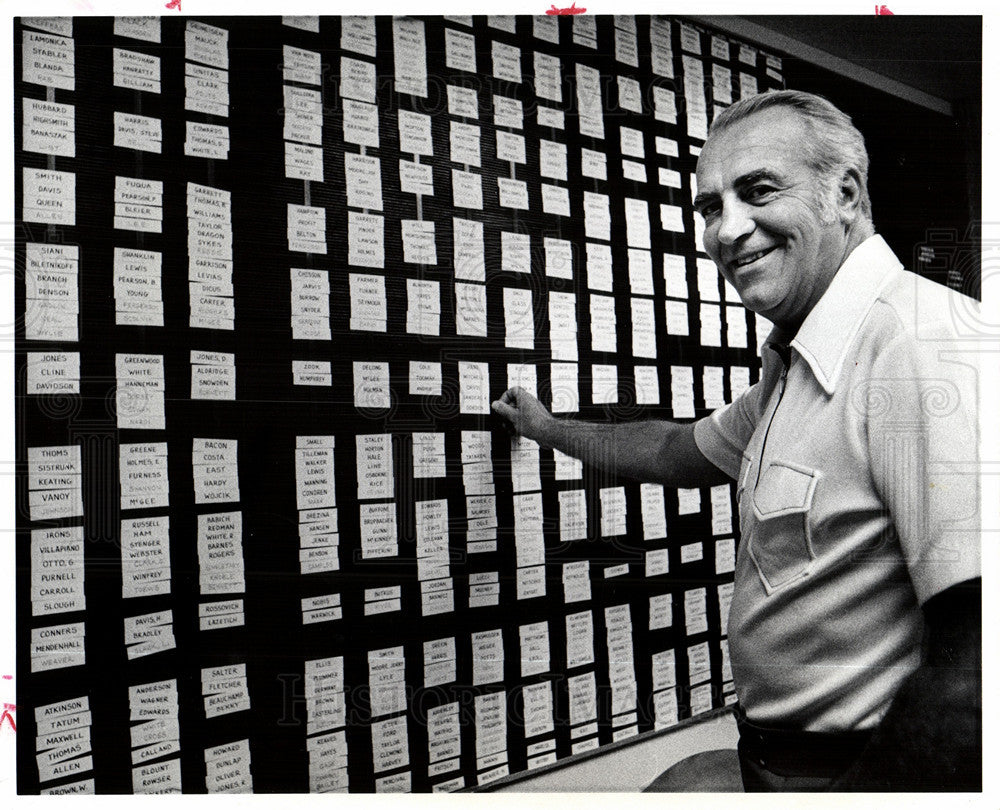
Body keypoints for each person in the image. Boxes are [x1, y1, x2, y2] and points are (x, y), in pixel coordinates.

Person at [491, 90, 981, 792]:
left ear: (845, 194)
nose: (727, 230)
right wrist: (544, 427)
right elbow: (668, 451)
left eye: (757, 191)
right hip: (774, 760)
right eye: (710, 207)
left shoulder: (918, 343)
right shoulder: (798, 370)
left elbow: (976, 682)